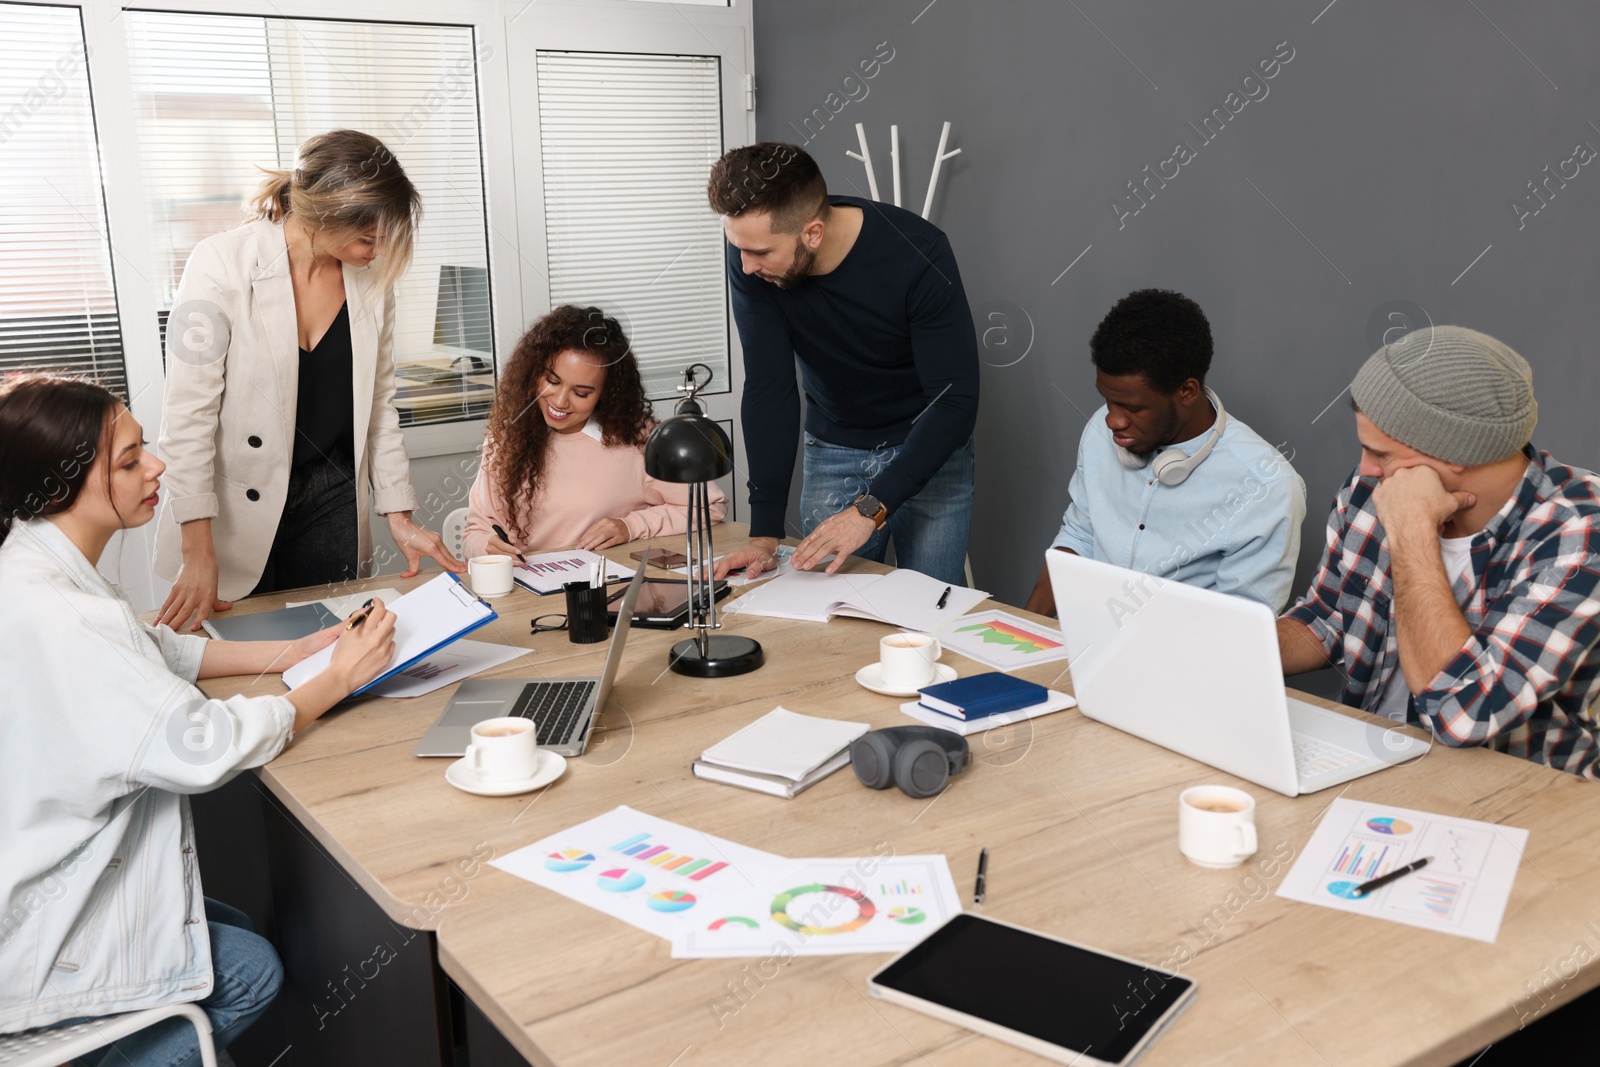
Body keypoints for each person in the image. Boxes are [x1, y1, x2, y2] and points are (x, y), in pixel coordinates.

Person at [0, 375, 398, 1062]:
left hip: (38, 883)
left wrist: (293, 649)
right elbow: (201, 743)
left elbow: (149, 647)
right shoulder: (68, 616)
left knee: (235, 925)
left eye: (143, 448)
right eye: (128, 462)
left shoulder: (32, 564)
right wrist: (333, 681)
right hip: (39, 937)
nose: (155, 466)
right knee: (252, 971)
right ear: (60, 486)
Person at [154, 128, 462, 633]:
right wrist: (197, 550)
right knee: (242, 657)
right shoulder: (219, 263)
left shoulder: (368, 282)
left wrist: (400, 516)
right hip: (234, 499)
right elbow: (188, 417)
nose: (378, 251)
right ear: (326, 212)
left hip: (331, 492)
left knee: (332, 648)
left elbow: (379, 405)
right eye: (368, 237)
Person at [1278, 326, 1600, 778]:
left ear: (1455, 451)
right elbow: (1332, 616)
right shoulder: (1376, 486)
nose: (1366, 471)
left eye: (1381, 454)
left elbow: (1464, 713)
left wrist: (1412, 532)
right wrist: (1236, 649)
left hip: (1519, 799)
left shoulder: (1579, 536)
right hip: (1373, 764)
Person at [706, 142, 979, 585]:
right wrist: (764, 536)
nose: (745, 265)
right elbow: (768, 385)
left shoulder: (917, 252)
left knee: (927, 613)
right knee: (824, 613)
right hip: (834, 447)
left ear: (812, 232)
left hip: (929, 449)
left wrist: (870, 509)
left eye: (759, 252)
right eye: (737, 246)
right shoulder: (752, 252)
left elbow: (955, 402)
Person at [1024, 290, 1304, 616]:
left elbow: (1236, 631)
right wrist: (1025, 636)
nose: (1113, 420)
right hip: (1086, 643)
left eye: (1132, 407)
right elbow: (1079, 536)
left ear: (1187, 392)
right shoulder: (1100, 431)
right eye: (1107, 400)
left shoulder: (1267, 488)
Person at [461, 305, 725, 561]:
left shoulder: (636, 439)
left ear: (606, 395)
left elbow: (709, 505)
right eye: (552, 381)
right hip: (524, 592)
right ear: (533, 373)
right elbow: (476, 531)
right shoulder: (507, 437)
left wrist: (631, 526)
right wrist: (486, 547)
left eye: (581, 393)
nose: (560, 401)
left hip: (602, 589)